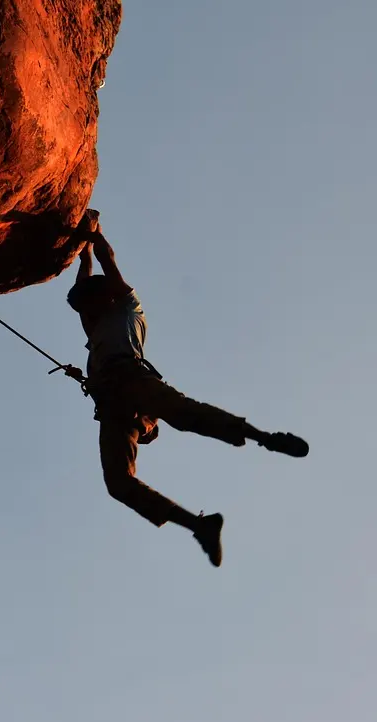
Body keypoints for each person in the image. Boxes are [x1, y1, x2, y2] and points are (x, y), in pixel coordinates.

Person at [67, 212, 308, 567]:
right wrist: (82, 247)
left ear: (106, 298)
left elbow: (105, 259)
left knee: (183, 414)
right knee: (118, 483)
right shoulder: (96, 324)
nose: (85, 311)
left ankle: (264, 437)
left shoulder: (128, 308)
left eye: (91, 302)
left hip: (132, 380)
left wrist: (93, 232)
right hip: (113, 405)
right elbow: (86, 273)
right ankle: (199, 525)